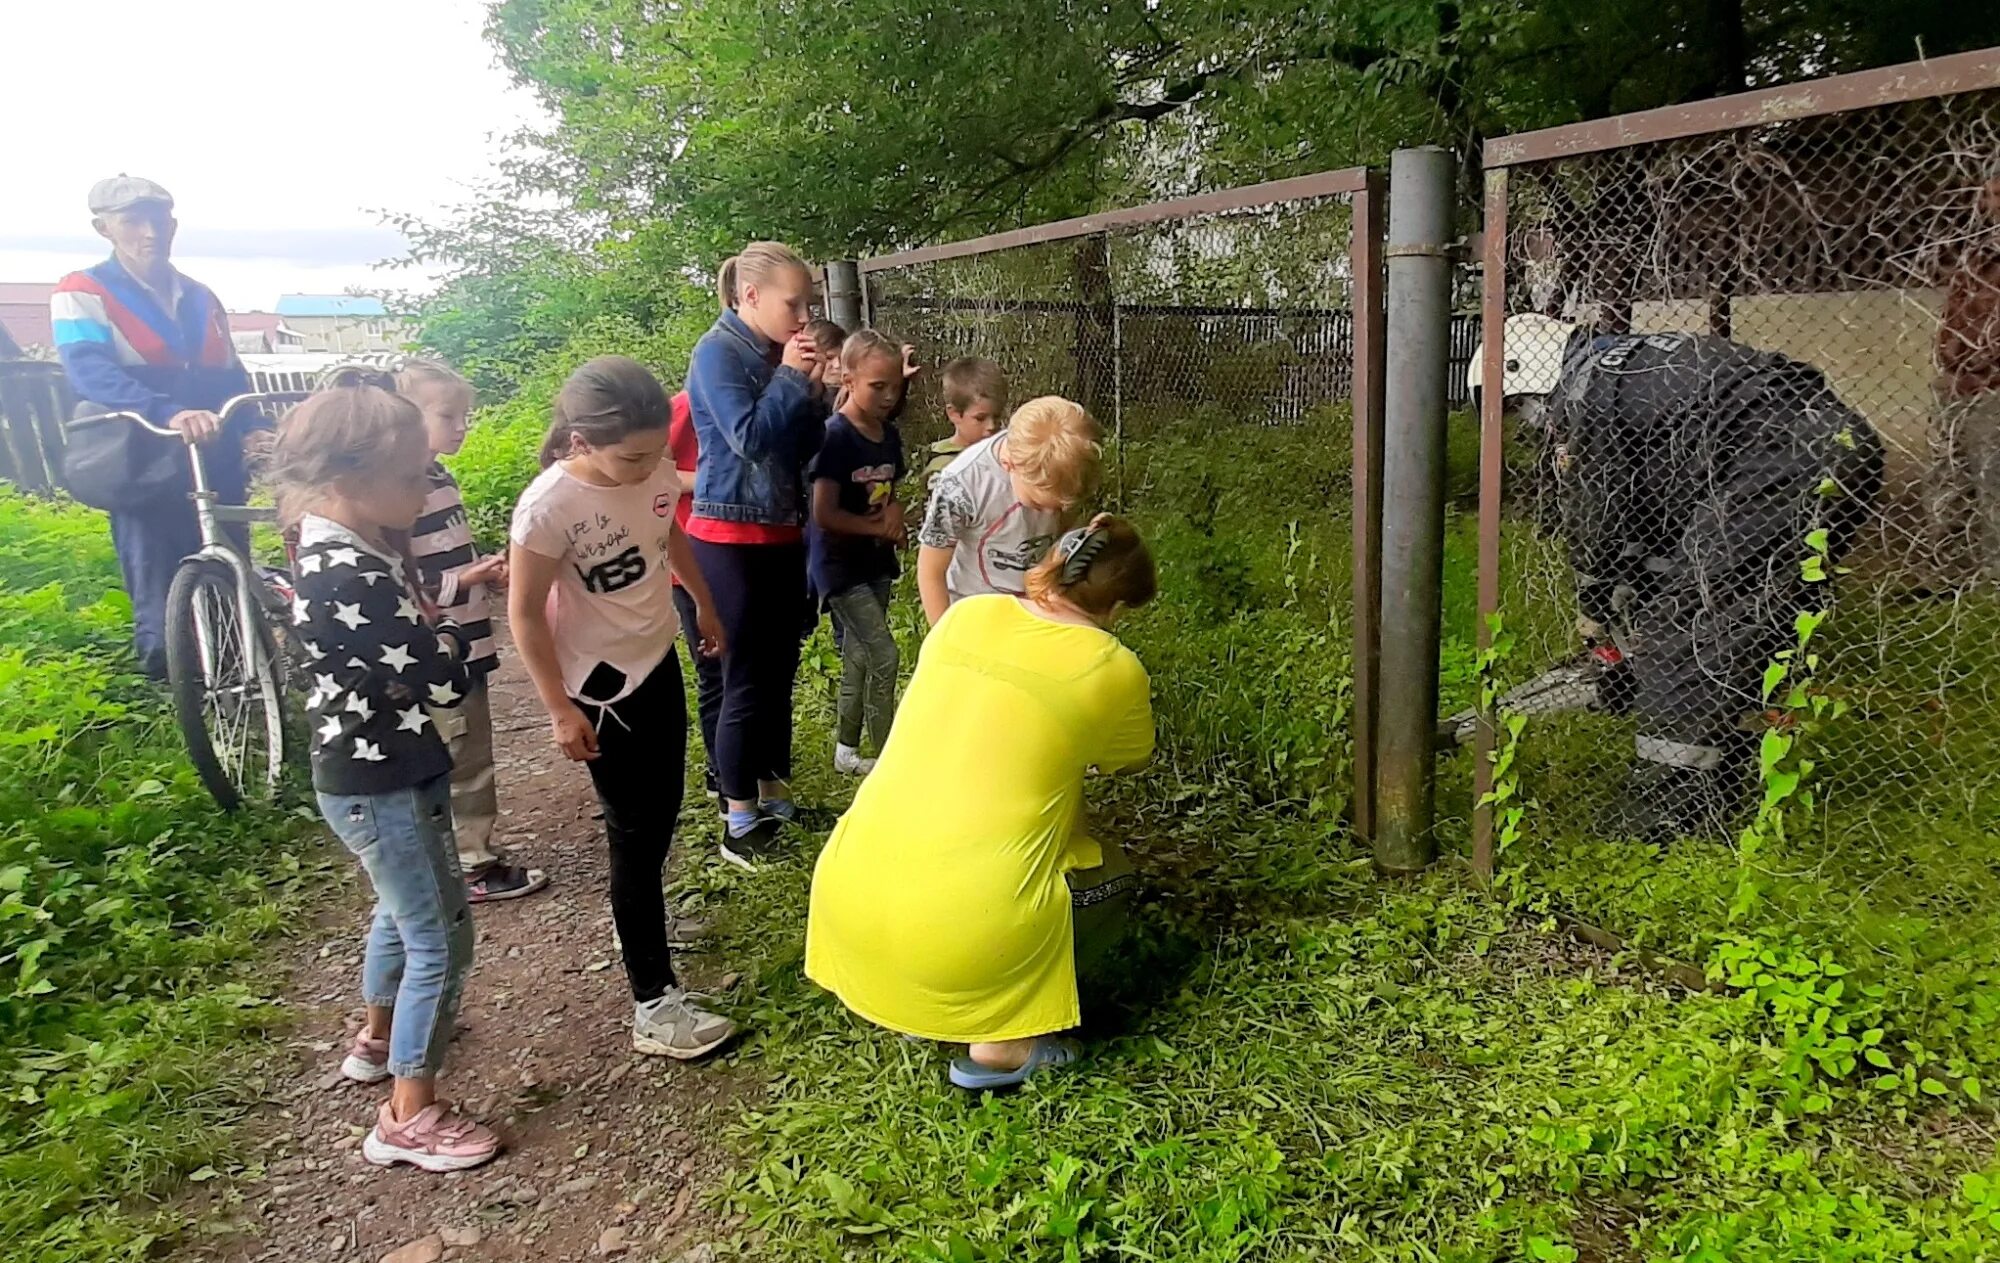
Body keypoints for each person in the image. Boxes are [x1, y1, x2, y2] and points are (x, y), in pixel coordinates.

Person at [1470, 316, 1884, 841]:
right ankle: (1729, 776)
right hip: (1839, 446)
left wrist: (1595, 606)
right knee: (1741, 628)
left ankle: (1666, 816)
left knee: (1682, 635)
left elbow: (1598, 513)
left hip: (1784, 463)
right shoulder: (1627, 367)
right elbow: (1658, 510)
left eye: (1514, 403)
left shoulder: (1590, 391)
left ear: (1525, 374)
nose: (1524, 419)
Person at [806, 515, 1157, 1090]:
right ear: (1117, 610)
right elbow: (1126, 760)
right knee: (1113, 873)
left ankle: (919, 994)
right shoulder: (1111, 665)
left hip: (847, 897)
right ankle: (1003, 1043)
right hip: (964, 935)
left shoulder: (967, 615)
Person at [272, 377, 499, 1172]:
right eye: (411, 475)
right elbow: (441, 676)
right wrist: (446, 639)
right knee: (441, 937)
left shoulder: (340, 544)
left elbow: (417, 664)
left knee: (397, 916)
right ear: (345, 478)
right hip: (385, 777)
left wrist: (429, 640)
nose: (425, 485)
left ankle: (377, 1038)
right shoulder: (354, 573)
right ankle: (410, 1114)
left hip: (376, 768)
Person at [507, 356, 737, 1059]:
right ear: (580, 443)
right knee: (633, 832)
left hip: (657, 658)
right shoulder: (549, 507)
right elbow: (523, 615)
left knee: (661, 812)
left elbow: (670, 536)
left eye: (656, 454)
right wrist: (558, 709)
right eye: (630, 458)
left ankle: (641, 920)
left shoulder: (655, 470)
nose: (648, 470)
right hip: (602, 689)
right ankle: (653, 1002)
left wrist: (701, 600)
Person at [50, 175, 259, 679]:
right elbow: (89, 370)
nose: (149, 232)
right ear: (104, 228)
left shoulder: (199, 295)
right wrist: (165, 411)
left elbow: (230, 371)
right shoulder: (83, 290)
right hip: (142, 454)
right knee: (157, 576)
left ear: (174, 224)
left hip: (214, 452)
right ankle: (177, 692)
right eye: (132, 221)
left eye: (159, 219)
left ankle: (244, 681)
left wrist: (252, 423)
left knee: (231, 563)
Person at [685, 242, 828, 870]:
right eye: (792, 303)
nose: (802, 317)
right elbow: (747, 439)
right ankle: (737, 821)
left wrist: (815, 392)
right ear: (750, 297)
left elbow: (802, 449)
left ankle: (774, 800)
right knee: (745, 681)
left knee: (778, 675)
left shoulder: (774, 354)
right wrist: (793, 379)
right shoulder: (717, 352)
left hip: (779, 534)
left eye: (808, 304)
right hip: (728, 541)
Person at [394, 359, 549, 903]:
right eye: (447, 415)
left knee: (470, 747)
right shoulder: (396, 487)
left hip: (467, 640)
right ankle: (471, 863)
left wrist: (479, 573)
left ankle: (458, 852)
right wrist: (462, 580)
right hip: (439, 648)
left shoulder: (439, 475)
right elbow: (399, 580)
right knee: (464, 756)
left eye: (465, 415)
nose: (461, 426)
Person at [808, 330, 910, 776]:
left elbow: (891, 490)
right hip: (839, 566)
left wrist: (894, 518)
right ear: (847, 379)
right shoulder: (834, 437)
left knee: (859, 655)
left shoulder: (887, 434)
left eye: (895, 386)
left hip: (876, 560)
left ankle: (847, 750)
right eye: (877, 386)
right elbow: (823, 514)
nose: (889, 396)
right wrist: (874, 525)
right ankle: (890, 757)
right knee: (884, 653)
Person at [916, 396, 1101, 626]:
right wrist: (944, 639)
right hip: (975, 614)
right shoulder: (961, 485)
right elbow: (931, 571)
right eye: (1040, 505)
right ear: (1008, 464)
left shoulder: (1061, 468)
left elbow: (1064, 536)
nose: (1053, 513)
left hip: (1036, 608)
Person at [666, 387, 726, 805]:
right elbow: (653, 472)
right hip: (689, 562)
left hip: (731, 558)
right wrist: (716, 480)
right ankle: (719, 772)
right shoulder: (688, 404)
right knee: (714, 672)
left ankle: (741, 767)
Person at [922, 358, 1008, 492]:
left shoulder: (1001, 453)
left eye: (996, 417)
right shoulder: (943, 466)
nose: (991, 426)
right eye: (980, 418)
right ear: (954, 414)